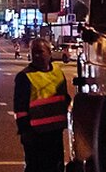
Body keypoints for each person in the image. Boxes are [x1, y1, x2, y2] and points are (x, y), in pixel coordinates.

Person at [13, 38, 70, 172]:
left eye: (40, 52)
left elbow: (64, 97)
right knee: (36, 167)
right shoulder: (25, 76)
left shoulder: (57, 71)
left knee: (56, 166)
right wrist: (25, 132)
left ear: (49, 53)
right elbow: (20, 109)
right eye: (34, 52)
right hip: (35, 135)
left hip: (55, 131)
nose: (37, 56)